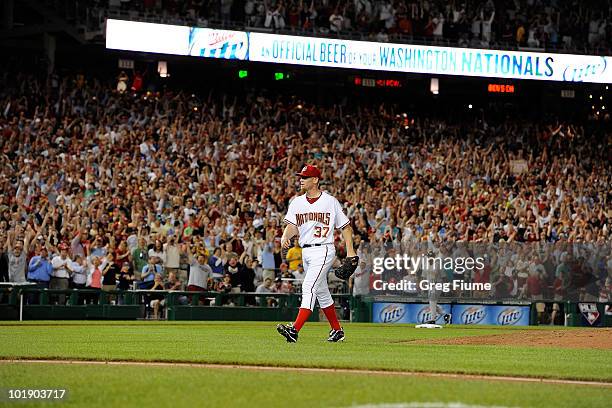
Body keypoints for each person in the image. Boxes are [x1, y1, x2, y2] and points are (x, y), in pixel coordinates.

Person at [276, 164, 356, 343]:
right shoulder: (296, 202)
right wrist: (285, 236)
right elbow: (292, 226)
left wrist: (350, 252)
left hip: (324, 249)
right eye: (301, 176)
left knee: (308, 287)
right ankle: (337, 330)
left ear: (315, 180)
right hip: (306, 251)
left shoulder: (330, 201)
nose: (301, 179)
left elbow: (346, 227)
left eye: (305, 177)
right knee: (321, 291)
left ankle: (294, 330)